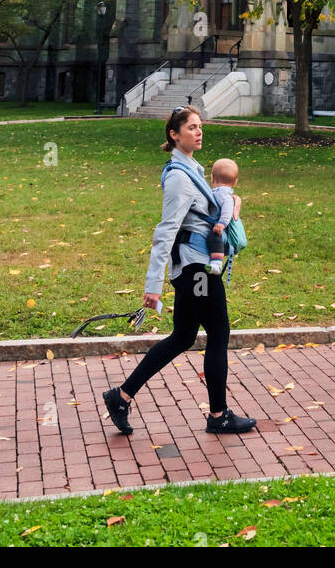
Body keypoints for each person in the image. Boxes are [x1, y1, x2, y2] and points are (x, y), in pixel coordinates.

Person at [101, 106, 256, 436]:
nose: (199, 132)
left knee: (183, 336)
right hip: (197, 271)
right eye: (192, 128)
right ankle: (218, 415)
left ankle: (121, 396)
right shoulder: (177, 178)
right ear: (174, 134)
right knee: (218, 334)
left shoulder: (192, 172)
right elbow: (166, 231)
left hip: (193, 267)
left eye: (200, 127)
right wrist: (152, 285)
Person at [207, 158, 238, 274]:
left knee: (215, 238)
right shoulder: (219, 192)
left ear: (212, 178)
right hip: (215, 224)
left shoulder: (223, 193)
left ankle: (216, 264)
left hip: (219, 228)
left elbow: (228, 208)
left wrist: (222, 224)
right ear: (235, 182)